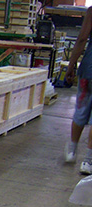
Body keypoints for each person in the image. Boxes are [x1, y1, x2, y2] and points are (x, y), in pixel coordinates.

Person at [66, 6, 92, 174]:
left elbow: (82, 38)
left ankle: (72, 151)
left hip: (89, 71)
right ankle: (88, 161)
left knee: (81, 109)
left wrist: (71, 65)